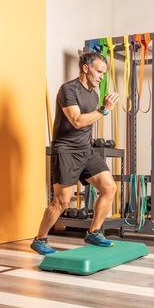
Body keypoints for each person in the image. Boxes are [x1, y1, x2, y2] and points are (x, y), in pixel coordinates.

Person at [31, 52, 119, 255]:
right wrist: (104, 110)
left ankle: (94, 232)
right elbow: (77, 121)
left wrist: (100, 108)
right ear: (86, 68)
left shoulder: (94, 95)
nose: (101, 77)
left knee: (109, 187)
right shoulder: (68, 89)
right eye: (99, 71)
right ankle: (40, 239)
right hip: (66, 150)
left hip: (85, 150)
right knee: (61, 201)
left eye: (103, 73)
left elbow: (88, 122)